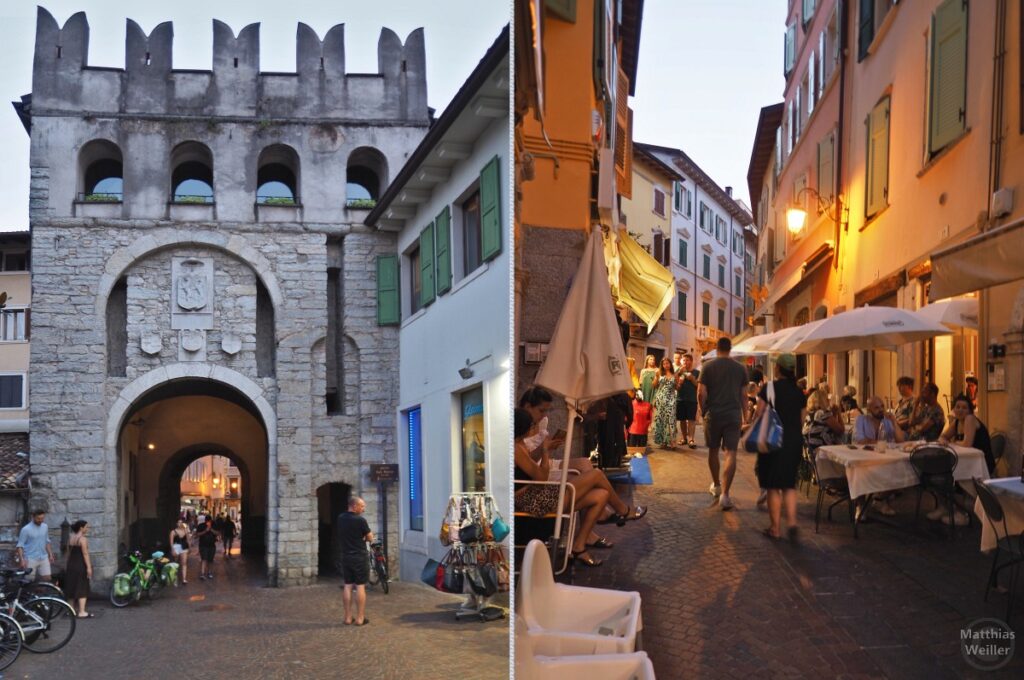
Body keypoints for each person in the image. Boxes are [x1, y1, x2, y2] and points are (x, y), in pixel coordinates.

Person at [514, 408, 646, 567]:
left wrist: (546, 450)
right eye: (533, 425)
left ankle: (579, 547)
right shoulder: (516, 449)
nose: (535, 427)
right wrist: (545, 451)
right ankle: (623, 510)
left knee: (601, 495)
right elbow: (541, 476)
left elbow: (535, 472)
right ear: (524, 429)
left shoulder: (520, 444)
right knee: (596, 474)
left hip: (538, 492)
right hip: (532, 499)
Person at [751, 354, 806, 542]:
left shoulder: (769, 388)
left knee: (773, 486)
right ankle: (792, 523)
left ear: (778, 369)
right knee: (789, 484)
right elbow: (802, 420)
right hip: (793, 441)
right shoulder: (799, 392)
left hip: (773, 440)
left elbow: (759, 413)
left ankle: (775, 529)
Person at [698, 337, 749, 511]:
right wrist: (745, 416)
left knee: (713, 450)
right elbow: (744, 396)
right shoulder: (740, 369)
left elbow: (701, 393)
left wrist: (703, 410)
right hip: (733, 415)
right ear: (730, 349)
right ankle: (725, 495)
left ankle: (717, 485)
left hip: (713, 414)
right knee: (731, 453)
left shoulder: (707, 366)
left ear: (717, 348)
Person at [338, 497, 373, 626]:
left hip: (346, 556)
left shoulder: (340, 518)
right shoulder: (360, 520)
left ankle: (347, 617)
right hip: (359, 556)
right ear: (354, 506)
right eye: (362, 506)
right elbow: (369, 537)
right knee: (360, 586)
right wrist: (365, 536)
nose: (363, 509)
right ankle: (360, 618)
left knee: (347, 585)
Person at [940, 394, 995, 473]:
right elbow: (943, 436)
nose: (960, 410)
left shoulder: (970, 418)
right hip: (967, 460)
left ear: (969, 411)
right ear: (954, 409)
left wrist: (952, 442)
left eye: (964, 408)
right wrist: (943, 440)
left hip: (981, 463)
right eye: (957, 407)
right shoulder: (957, 421)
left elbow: (967, 444)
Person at [63, 520, 93, 618]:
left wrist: (67, 564)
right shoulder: (83, 539)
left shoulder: (70, 538)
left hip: (71, 565)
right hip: (80, 565)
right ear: (81, 528)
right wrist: (89, 567)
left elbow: (68, 553)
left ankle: (71, 610)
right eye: (86, 527)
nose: (87, 529)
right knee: (82, 587)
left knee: (71, 587)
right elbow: (85, 554)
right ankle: (82, 612)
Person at [15, 511, 55, 582]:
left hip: (43, 557)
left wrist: (50, 555)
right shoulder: (25, 529)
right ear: (33, 517)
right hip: (30, 558)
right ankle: (29, 592)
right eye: (38, 518)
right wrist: (22, 560)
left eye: (42, 518)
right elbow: (20, 546)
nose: (41, 520)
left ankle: (41, 592)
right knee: (29, 581)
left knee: (47, 579)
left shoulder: (45, 526)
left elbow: (47, 541)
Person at [651, 358, 678, 448]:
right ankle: (663, 441)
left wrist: (679, 384)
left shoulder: (675, 375)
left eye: (667, 363)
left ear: (670, 364)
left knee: (671, 419)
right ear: (662, 365)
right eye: (664, 364)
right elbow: (654, 386)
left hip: (671, 398)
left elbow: (677, 388)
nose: (666, 365)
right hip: (661, 398)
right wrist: (655, 378)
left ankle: (672, 442)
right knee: (661, 419)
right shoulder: (659, 373)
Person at [675, 354, 700, 448]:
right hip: (680, 399)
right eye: (684, 360)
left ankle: (691, 439)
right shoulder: (679, 371)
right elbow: (674, 384)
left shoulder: (697, 372)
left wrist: (692, 378)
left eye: (688, 360)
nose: (685, 362)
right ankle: (684, 438)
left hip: (692, 399)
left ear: (691, 361)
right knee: (682, 420)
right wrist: (678, 374)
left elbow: (698, 386)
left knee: (691, 420)